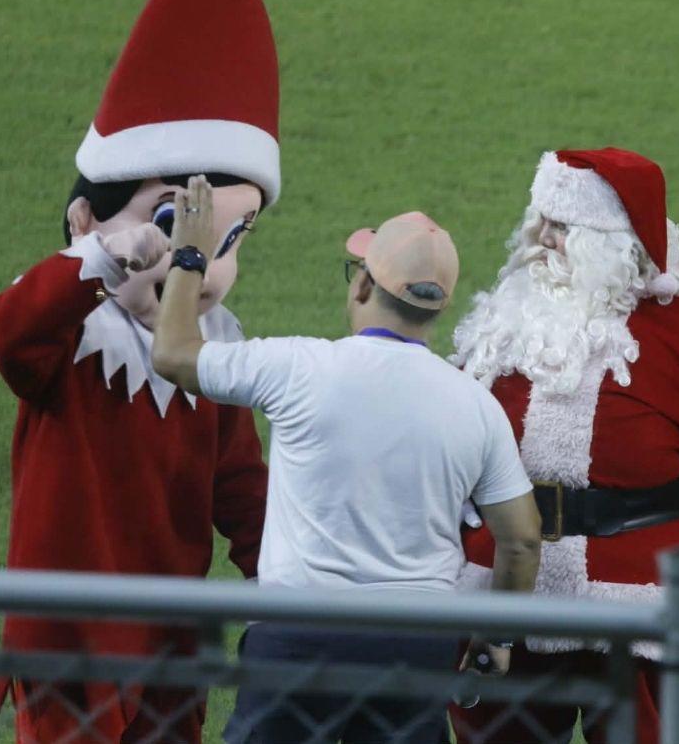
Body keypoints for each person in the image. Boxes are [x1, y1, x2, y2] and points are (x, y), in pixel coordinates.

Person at [0, 0, 275, 743]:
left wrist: (289, 590)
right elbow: (11, 332)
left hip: (173, 647)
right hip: (67, 644)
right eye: (168, 226)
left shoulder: (215, 351)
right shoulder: (67, 333)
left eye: (227, 242)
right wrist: (101, 261)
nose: (198, 266)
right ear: (87, 217)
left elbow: (244, 498)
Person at [151, 180, 542, 744]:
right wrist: (495, 641)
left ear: (362, 283)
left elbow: (172, 354)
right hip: (413, 648)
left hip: (296, 639)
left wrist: (190, 255)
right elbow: (523, 541)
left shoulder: (295, 367)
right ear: (438, 305)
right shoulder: (476, 406)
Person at [448, 148, 679, 744]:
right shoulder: (506, 314)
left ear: (617, 243)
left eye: (565, 228)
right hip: (507, 585)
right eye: (541, 222)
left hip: (636, 598)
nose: (544, 240)